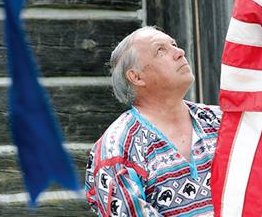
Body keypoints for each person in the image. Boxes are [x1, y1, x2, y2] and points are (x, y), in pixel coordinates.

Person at [85, 26, 221, 216]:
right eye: (161, 50)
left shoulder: (220, 122)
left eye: (174, 44)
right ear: (136, 77)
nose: (179, 52)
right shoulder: (117, 149)